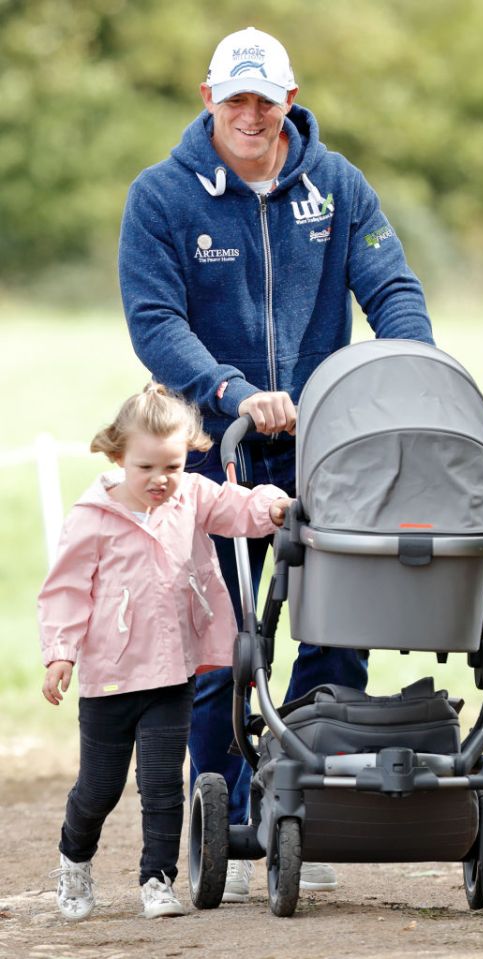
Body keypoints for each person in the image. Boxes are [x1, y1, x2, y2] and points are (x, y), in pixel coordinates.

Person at [118, 26, 434, 898]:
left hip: (326, 449)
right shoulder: (162, 197)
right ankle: (220, 813)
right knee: (222, 643)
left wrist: (413, 370)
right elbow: (154, 319)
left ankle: (305, 804)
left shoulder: (335, 187)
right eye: (235, 101)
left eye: (266, 100)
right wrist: (228, 388)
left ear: (290, 99)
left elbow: (392, 289)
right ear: (208, 99)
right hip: (214, 450)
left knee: (337, 627)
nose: (250, 116)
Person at [39, 385, 290, 921]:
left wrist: (272, 506)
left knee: (162, 787)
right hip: (109, 680)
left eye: (173, 465)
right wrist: (60, 652)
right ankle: (74, 860)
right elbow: (65, 590)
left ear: (188, 456)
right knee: (99, 789)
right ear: (117, 457)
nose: (161, 479)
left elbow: (234, 505)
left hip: (172, 673)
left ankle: (157, 881)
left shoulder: (190, 495)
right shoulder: (93, 517)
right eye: (146, 466)